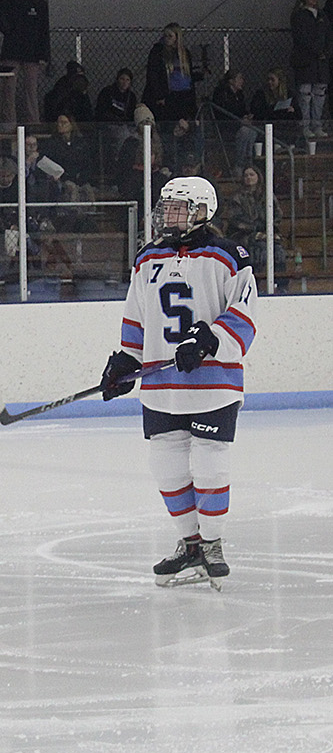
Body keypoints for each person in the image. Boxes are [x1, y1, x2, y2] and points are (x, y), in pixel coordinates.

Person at [99, 177, 256, 588]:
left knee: (209, 462)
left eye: (178, 208)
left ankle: (213, 543)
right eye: (165, 207)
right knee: (166, 468)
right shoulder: (147, 258)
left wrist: (210, 339)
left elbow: (245, 313)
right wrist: (125, 363)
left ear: (203, 211)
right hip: (162, 386)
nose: (168, 215)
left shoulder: (227, 256)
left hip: (213, 382)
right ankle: (190, 545)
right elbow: (136, 318)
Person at [0, 0, 50, 124]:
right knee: (9, 89)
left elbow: (44, 30)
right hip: (13, 51)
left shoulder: (40, 3)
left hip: (30, 52)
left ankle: (32, 123)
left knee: (30, 90)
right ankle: (10, 124)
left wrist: (45, 55)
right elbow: (4, 27)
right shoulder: (9, 3)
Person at [291, 0, 332, 140]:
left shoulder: (322, 15)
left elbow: (329, 36)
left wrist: (326, 52)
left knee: (319, 94)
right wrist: (316, 51)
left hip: (321, 64)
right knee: (305, 95)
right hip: (306, 62)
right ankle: (305, 126)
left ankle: (317, 124)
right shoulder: (299, 15)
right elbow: (301, 38)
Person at [210, 70, 259, 176]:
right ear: (231, 81)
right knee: (245, 131)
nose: (242, 81)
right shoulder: (221, 93)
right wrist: (239, 120)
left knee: (252, 131)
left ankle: (249, 163)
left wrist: (247, 115)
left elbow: (242, 110)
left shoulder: (239, 94)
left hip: (239, 124)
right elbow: (223, 113)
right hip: (227, 126)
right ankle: (239, 165)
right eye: (239, 78)